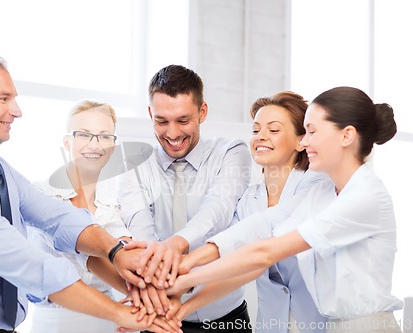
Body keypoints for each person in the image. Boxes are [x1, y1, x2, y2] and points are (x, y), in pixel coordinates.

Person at [0, 53, 181, 333]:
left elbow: (59, 218)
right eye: (4, 99)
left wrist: (116, 252)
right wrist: (123, 314)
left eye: (104, 135)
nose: (17, 111)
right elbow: (31, 266)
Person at [167, 86, 404, 333]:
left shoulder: (364, 195)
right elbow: (262, 234)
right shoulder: (322, 194)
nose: (306, 140)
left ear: (346, 136)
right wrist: (184, 298)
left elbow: (265, 252)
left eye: (312, 131)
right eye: (256, 129)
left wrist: (185, 278)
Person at [163, 91, 329, 333]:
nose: (260, 137)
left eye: (273, 130)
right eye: (255, 130)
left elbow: (264, 228)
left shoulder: (317, 184)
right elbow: (236, 268)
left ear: (300, 141)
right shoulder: (248, 201)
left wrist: (187, 266)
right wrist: (182, 310)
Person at [117, 64, 252, 332]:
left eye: (183, 120)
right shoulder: (134, 164)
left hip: (225, 319)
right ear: (149, 114)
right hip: (157, 317)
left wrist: (175, 244)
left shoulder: (231, 152)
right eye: (162, 121)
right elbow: (140, 228)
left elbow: (218, 209)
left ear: (202, 112)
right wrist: (157, 265)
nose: (173, 133)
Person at [26, 101, 133, 333]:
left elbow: (128, 254)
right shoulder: (41, 194)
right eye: (84, 134)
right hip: (53, 322)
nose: (94, 145)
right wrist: (137, 292)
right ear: (67, 142)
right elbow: (83, 249)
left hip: (106, 322)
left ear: (113, 146)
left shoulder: (116, 203)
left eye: (104, 136)